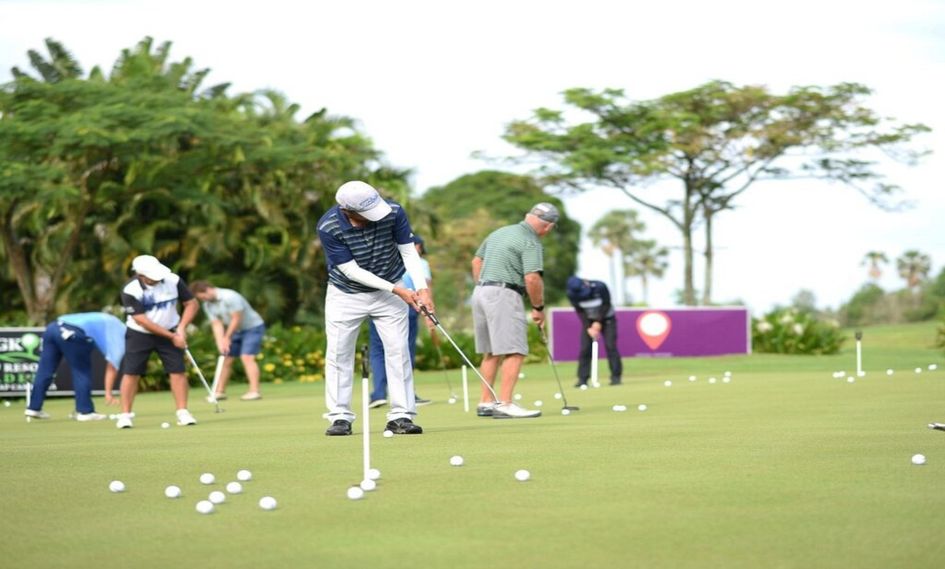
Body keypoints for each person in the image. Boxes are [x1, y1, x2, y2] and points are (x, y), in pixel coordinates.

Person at [317, 180, 434, 436]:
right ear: (348, 210)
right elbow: (350, 270)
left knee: (398, 351)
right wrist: (398, 290)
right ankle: (340, 416)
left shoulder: (393, 211)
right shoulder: (329, 226)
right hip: (346, 294)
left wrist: (422, 288)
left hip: (392, 285)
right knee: (338, 354)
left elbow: (408, 252)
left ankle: (401, 415)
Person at [471, 202, 558, 419]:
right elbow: (532, 277)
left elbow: (476, 261)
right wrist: (538, 307)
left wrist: (483, 286)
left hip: (481, 292)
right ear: (548, 227)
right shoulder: (531, 241)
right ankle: (505, 403)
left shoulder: (499, 232)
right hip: (504, 293)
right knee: (515, 350)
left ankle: (486, 402)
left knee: (491, 351)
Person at [115, 255, 200, 429]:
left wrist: (181, 328)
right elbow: (142, 321)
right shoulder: (130, 289)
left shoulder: (173, 280)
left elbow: (191, 304)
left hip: (172, 329)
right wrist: (172, 337)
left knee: (178, 370)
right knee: (132, 372)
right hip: (139, 334)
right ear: (140, 275)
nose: (158, 278)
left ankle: (183, 412)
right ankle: (125, 415)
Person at [367, 233, 433, 409]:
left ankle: (378, 394)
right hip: (407, 306)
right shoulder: (421, 263)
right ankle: (406, 394)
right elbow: (425, 288)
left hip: (379, 304)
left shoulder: (384, 258)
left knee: (379, 351)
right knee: (402, 350)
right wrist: (429, 314)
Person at [24, 312, 125, 421]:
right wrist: (108, 393)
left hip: (53, 327)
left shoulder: (116, 323)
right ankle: (85, 411)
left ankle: (33, 408)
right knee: (81, 371)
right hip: (72, 332)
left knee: (45, 370)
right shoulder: (121, 336)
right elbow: (112, 367)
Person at [190, 281, 266, 401]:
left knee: (247, 357)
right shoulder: (208, 305)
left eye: (203, 296)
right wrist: (220, 342)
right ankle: (220, 392)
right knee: (226, 358)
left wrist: (227, 337)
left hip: (252, 327)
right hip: (234, 330)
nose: (203, 300)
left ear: (208, 289)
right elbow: (216, 324)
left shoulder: (230, 296)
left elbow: (237, 318)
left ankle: (254, 391)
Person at [566, 276, 623, 386]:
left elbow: (606, 304)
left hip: (607, 319)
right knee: (585, 349)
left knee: (611, 346)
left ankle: (616, 377)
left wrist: (598, 322)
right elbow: (580, 311)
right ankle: (582, 379)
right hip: (588, 321)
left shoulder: (600, 286)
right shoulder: (572, 294)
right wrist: (589, 327)